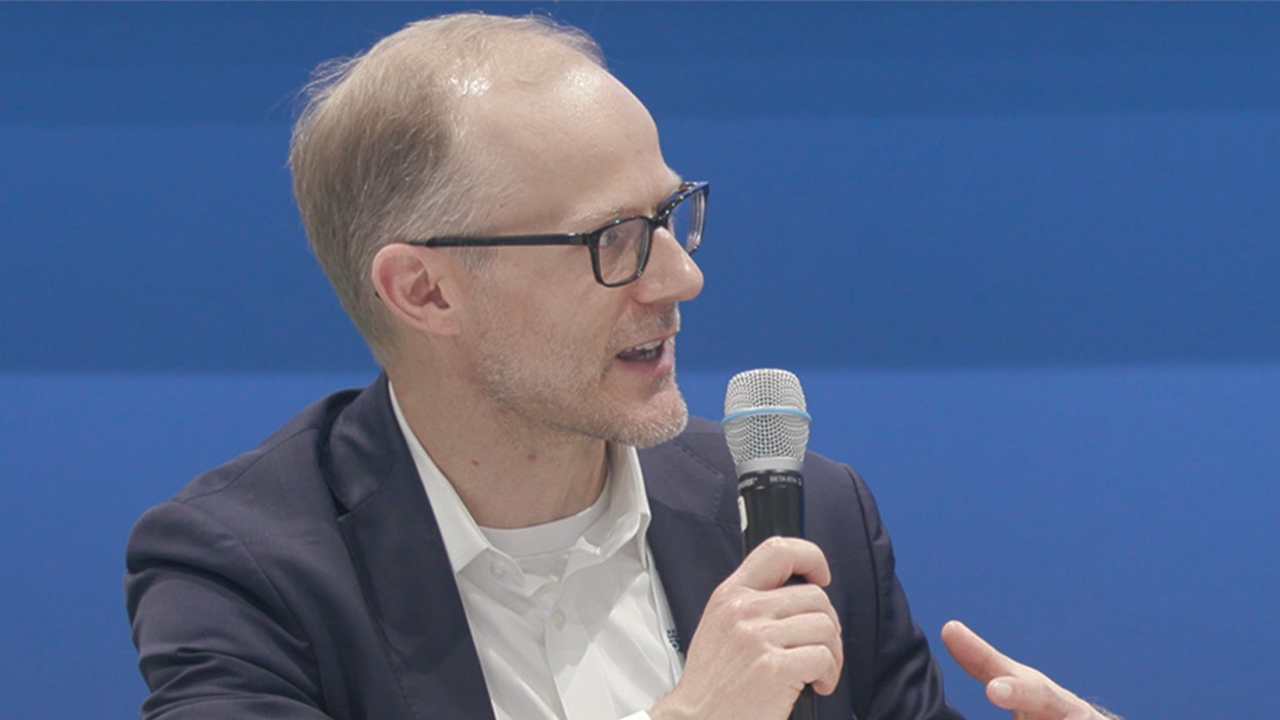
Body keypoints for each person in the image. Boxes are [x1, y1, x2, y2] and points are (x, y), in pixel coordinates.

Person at [125, 12, 1120, 720]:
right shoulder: (245, 573)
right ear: (424, 291)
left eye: (669, 213)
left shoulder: (809, 515)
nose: (681, 276)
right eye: (610, 239)